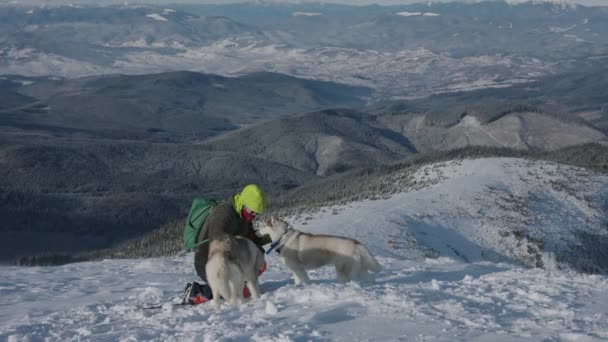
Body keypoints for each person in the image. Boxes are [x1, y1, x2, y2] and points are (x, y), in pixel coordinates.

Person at [191, 184, 272, 302]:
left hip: (231, 260)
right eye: (252, 212)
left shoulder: (244, 216)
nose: (253, 216)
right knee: (228, 292)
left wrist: (271, 235)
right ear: (244, 203)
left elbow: (250, 241)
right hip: (209, 260)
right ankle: (197, 292)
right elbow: (217, 239)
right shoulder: (223, 213)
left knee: (258, 264)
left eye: (256, 214)